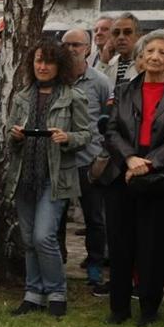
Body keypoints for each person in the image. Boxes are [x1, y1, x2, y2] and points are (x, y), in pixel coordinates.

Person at [96, 30, 164, 327]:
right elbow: (110, 130)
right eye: (149, 51)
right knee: (120, 243)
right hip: (121, 174)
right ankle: (119, 308)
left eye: (163, 52)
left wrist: (149, 165)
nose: (155, 57)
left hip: (159, 177)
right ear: (139, 58)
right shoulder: (123, 89)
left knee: (153, 247)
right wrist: (129, 159)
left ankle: (149, 309)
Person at [8, 40, 93, 316]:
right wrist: (16, 136)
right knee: (29, 238)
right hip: (24, 175)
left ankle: (57, 292)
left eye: (49, 62)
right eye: (38, 62)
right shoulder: (21, 96)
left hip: (55, 178)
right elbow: (9, 137)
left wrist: (67, 137)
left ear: (59, 65)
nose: (43, 67)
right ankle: (33, 293)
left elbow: (86, 134)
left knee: (44, 236)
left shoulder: (73, 96)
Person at [62, 27, 114, 289]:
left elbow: (108, 120)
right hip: (59, 161)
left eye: (77, 45)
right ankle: (57, 261)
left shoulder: (100, 82)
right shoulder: (55, 79)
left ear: (88, 49)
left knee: (94, 217)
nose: (71, 49)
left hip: (88, 160)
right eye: (67, 44)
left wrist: (102, 157)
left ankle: (95, 263)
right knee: (58, 215)